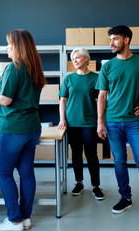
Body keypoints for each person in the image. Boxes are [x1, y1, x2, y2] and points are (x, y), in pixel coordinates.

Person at [95, 25, 139, 223]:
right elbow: (102, 96)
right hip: (112, 122)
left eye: (115, 39)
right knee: (119, 162)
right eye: (110, 39)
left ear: (126, 40)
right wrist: (100, 122)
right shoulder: (108, 66)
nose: (111, 43)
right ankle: (125, 198)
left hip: (135, 122)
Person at [0, 29, 47, 231]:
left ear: (18, 47)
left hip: (13, 128)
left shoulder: (14, 68)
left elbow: (6, 100)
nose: (7, 48)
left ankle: (14, 221)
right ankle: (25, 217)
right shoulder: (34, 69)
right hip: (32, 127)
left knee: (3, 172)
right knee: (26, 173)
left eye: (9, 44)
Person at [57, 48, 105, 200]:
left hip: (90, 122)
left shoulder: (96, 78)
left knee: (92, 154)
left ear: (86, 59)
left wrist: (100, 121)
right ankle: (79, 183)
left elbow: (102, 101)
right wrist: (62, 119)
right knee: (76, 154)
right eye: (73, 58)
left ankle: (96, 186)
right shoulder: (69, 79)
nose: (75, 61)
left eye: (78, 57)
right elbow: (62, 100)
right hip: (72, 123)